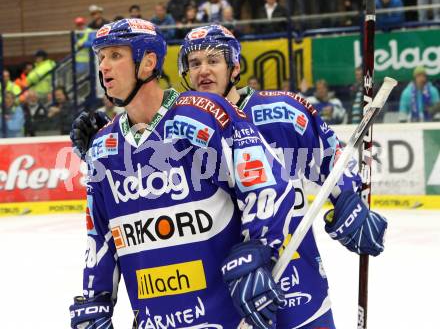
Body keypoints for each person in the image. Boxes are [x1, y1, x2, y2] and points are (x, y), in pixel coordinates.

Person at [71, 24, 388, 329]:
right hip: (228, 288)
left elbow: (332, 161)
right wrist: (107, 146)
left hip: (293, 280)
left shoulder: (281, 111)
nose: (203, 71)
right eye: (194, 63)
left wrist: (350, 200)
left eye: (213, 60)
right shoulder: (188, 125)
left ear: (234, 67)